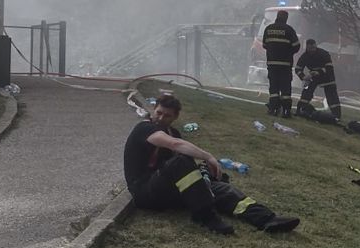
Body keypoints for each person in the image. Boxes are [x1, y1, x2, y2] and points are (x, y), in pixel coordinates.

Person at [123, 95, 300, 235]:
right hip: (145, 192)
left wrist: (205, 173)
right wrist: (208, 157)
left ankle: (266, 219)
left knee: (219, 186)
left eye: (166, 115)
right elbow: (175, 146)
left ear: (175, 117)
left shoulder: (173, 132)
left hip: (167, 192)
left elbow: (186, 167)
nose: (160, 118)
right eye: (158, 112)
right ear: (154, 110)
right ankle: (205, 216)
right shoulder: (145, 128)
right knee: (181, 161)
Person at [261, 10, 300, 118]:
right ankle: (286, 111)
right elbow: (296, 46)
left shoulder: (268, 29)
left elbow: (264, 45)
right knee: (286, 88)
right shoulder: (289, 30)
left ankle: (273, 109)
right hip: (285, 64)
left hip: (272, 63)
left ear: (277, 17)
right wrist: (288, 52)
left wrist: (273, 51)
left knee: (274, 87)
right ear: (286, 18)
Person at [294, 39, 341, 120]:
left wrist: (318, 72)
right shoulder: (304, 56)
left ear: (316, 46)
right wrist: (303, 77)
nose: (312, 50)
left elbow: (329, 68)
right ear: (307, 48)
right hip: (313, 77)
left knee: (332, 97)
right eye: (310, 49)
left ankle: (336, 115)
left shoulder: (324, 54)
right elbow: (298, 69)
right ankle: (300, 109)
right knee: (306, 92)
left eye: (313, 48)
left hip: (327, 77)